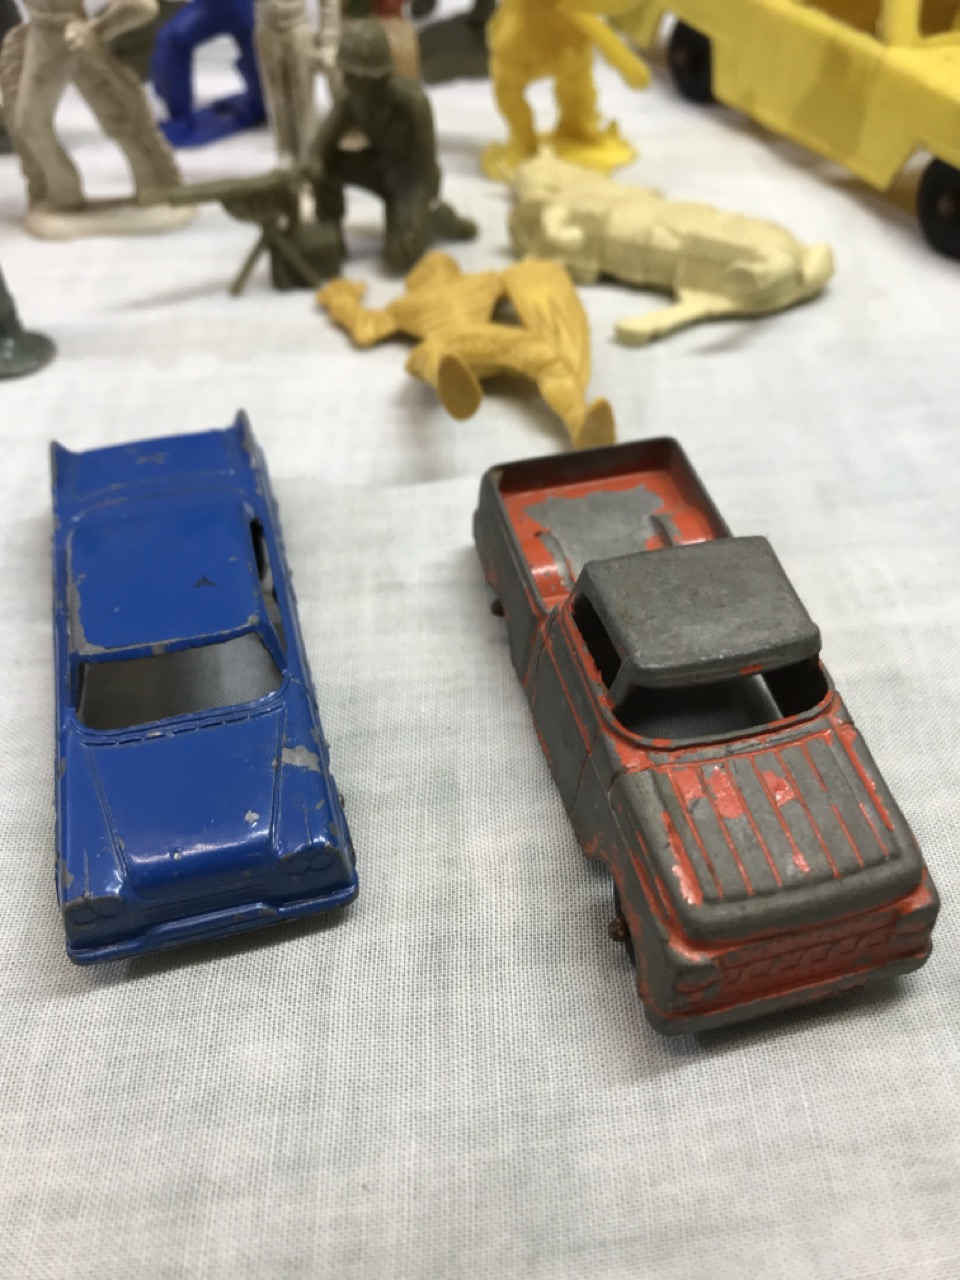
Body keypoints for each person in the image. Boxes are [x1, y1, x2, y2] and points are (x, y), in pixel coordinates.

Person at [309, 19, 473, 272]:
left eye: (355, 74)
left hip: (410, 181)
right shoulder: (352, 98)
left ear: (374, 75)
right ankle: (330, 232)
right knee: (326, 167)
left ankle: (435, 221)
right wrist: (311, 166)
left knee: (399, 258)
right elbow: (321, 145)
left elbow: (427, 170)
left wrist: (416, 209)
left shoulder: (413, 103)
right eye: (346, 71)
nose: (347, 78)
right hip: (378, 167)